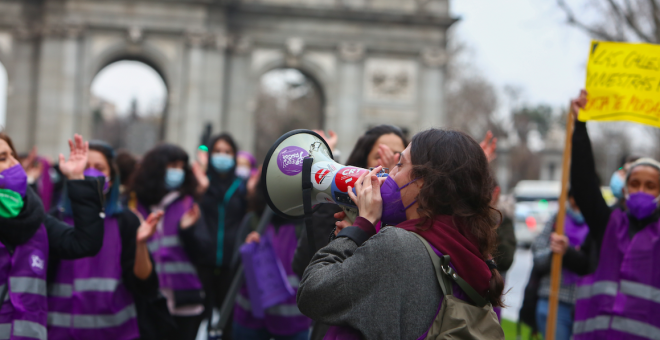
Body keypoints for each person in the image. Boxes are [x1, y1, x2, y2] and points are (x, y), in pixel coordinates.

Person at [297, 128, 505, 339]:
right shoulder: (469, 248)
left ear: (422, 181)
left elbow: (312, 294)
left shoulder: (397, 245)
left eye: (399, 164)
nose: (388, 174)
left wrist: (359, 229)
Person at [291, 125, 407, 340]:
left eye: (397, 160)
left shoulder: (410, 219)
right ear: (361, 164)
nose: (387, 167)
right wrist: (346, 239)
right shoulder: (331, 207)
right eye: (379, 157)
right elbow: (305, 267)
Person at [48, 141, 163, 340]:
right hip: (59, 332)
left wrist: (141, 244)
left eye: (99, 168)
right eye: (85, 167)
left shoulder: (126, 221)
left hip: (114, 332)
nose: (92, 173)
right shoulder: (54, 219)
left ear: (112, 177)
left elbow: (144, 285)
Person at [570, 89, 660, 340]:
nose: (641, 191)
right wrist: (580, 125)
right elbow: (584, 182)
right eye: (635, 184)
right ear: (626, 189)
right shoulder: (609, 223)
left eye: (650, 186)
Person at [0, 133, 105, 339]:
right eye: (3, 158)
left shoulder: (32, 217)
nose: (16, 164)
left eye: (13, 156)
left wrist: (76, 179)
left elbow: (84, 243)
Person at [131, 144, 212, 340]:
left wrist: (187, 231)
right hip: (149, 300)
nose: (177, 171)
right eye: (172, 166)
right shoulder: (135, 205)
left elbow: (203, 253)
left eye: (180, 166)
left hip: (185, 300)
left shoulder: (188, 203)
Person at [232, 179, 311, 340]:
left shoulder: (305, 225)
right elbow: (234, 267)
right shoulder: (252, 221)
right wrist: (247, 251)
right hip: (250, 319)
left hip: (293, 322)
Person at [197, 133, 249, 339]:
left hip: (231, 264)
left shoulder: (242, 186)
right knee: (199, 321)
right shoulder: (200, 183)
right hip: (202, 263)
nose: (222, 156)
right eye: (217, 151)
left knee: (228, 324)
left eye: (227, 152)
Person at [531, 190, 589, 340]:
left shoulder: (596, 223)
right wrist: (554, 252)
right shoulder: (557, 220)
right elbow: (538, 258)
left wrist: (572, 254)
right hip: (554, 300)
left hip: (585, 303)